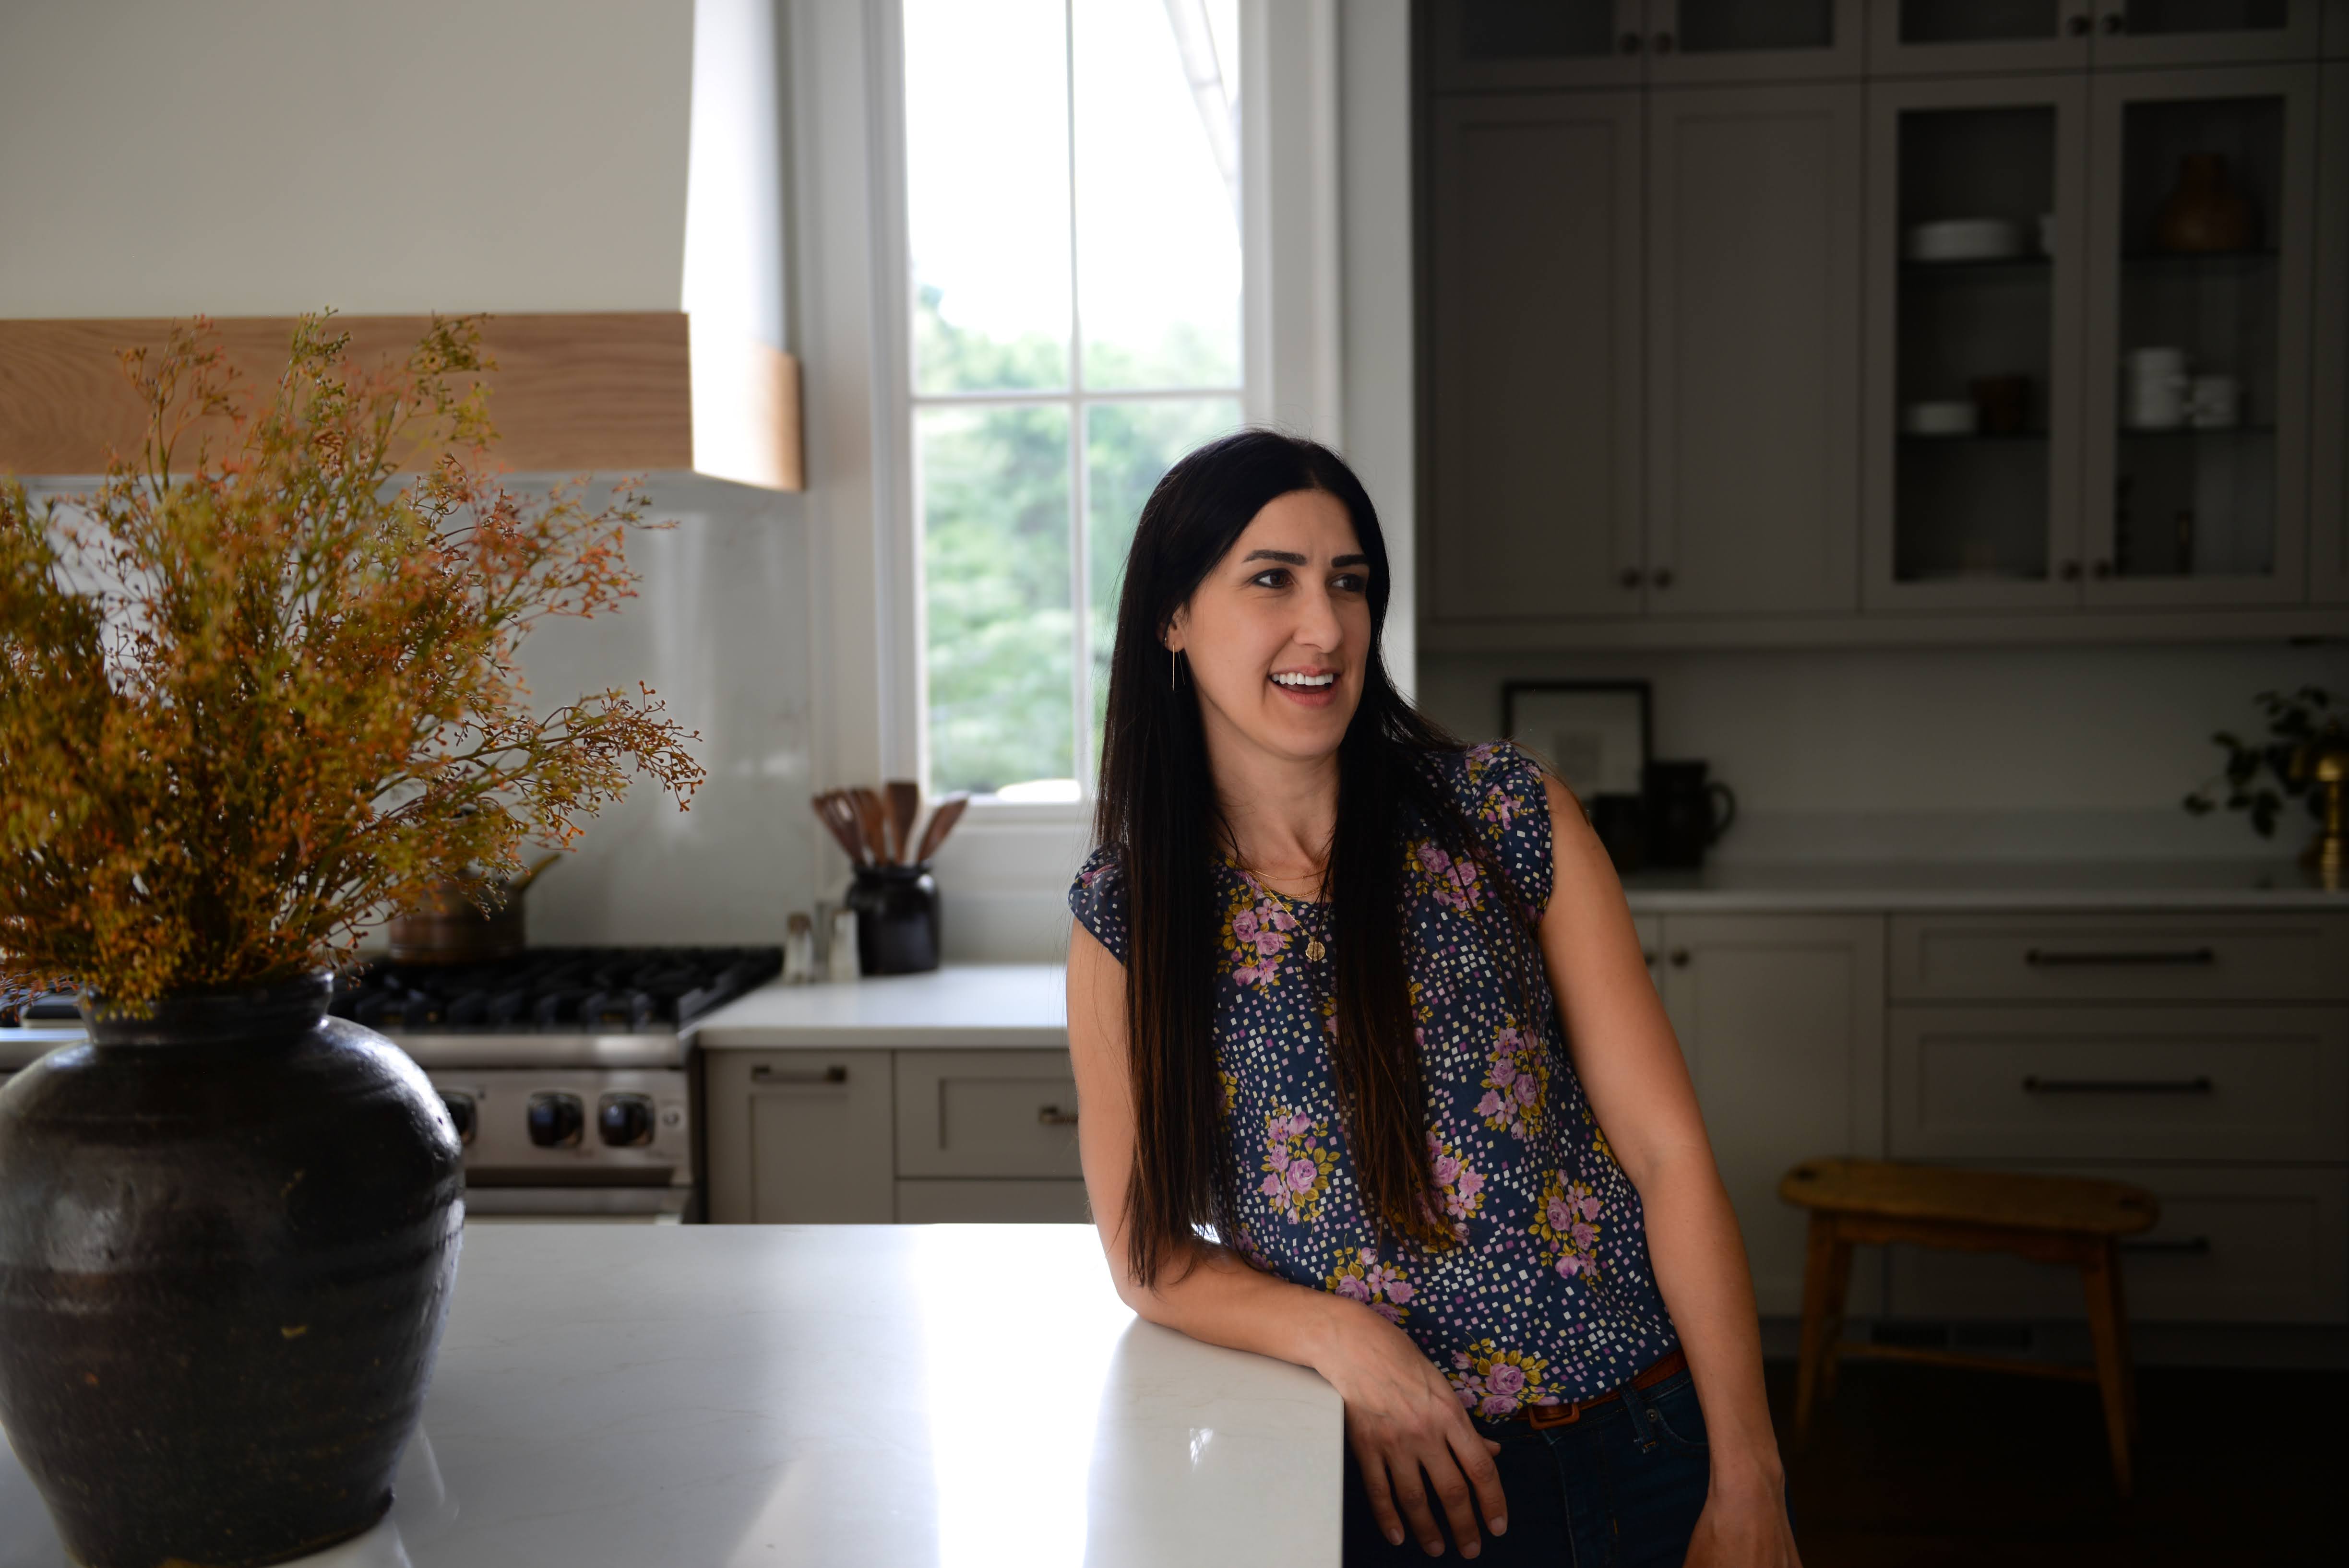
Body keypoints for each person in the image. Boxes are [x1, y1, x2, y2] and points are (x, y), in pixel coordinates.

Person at [1064, 431, 1801, 1566]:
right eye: (1273, 578)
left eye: (1349, 582)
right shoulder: (1131, 915)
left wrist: (1751, 1476)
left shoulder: (1502, 813)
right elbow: (1147, 1247)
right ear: (1171, 614)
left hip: (1647, 1445)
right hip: (1391, 1491)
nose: (1324, 626)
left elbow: (1668, 1155)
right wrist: (1339, 1336)